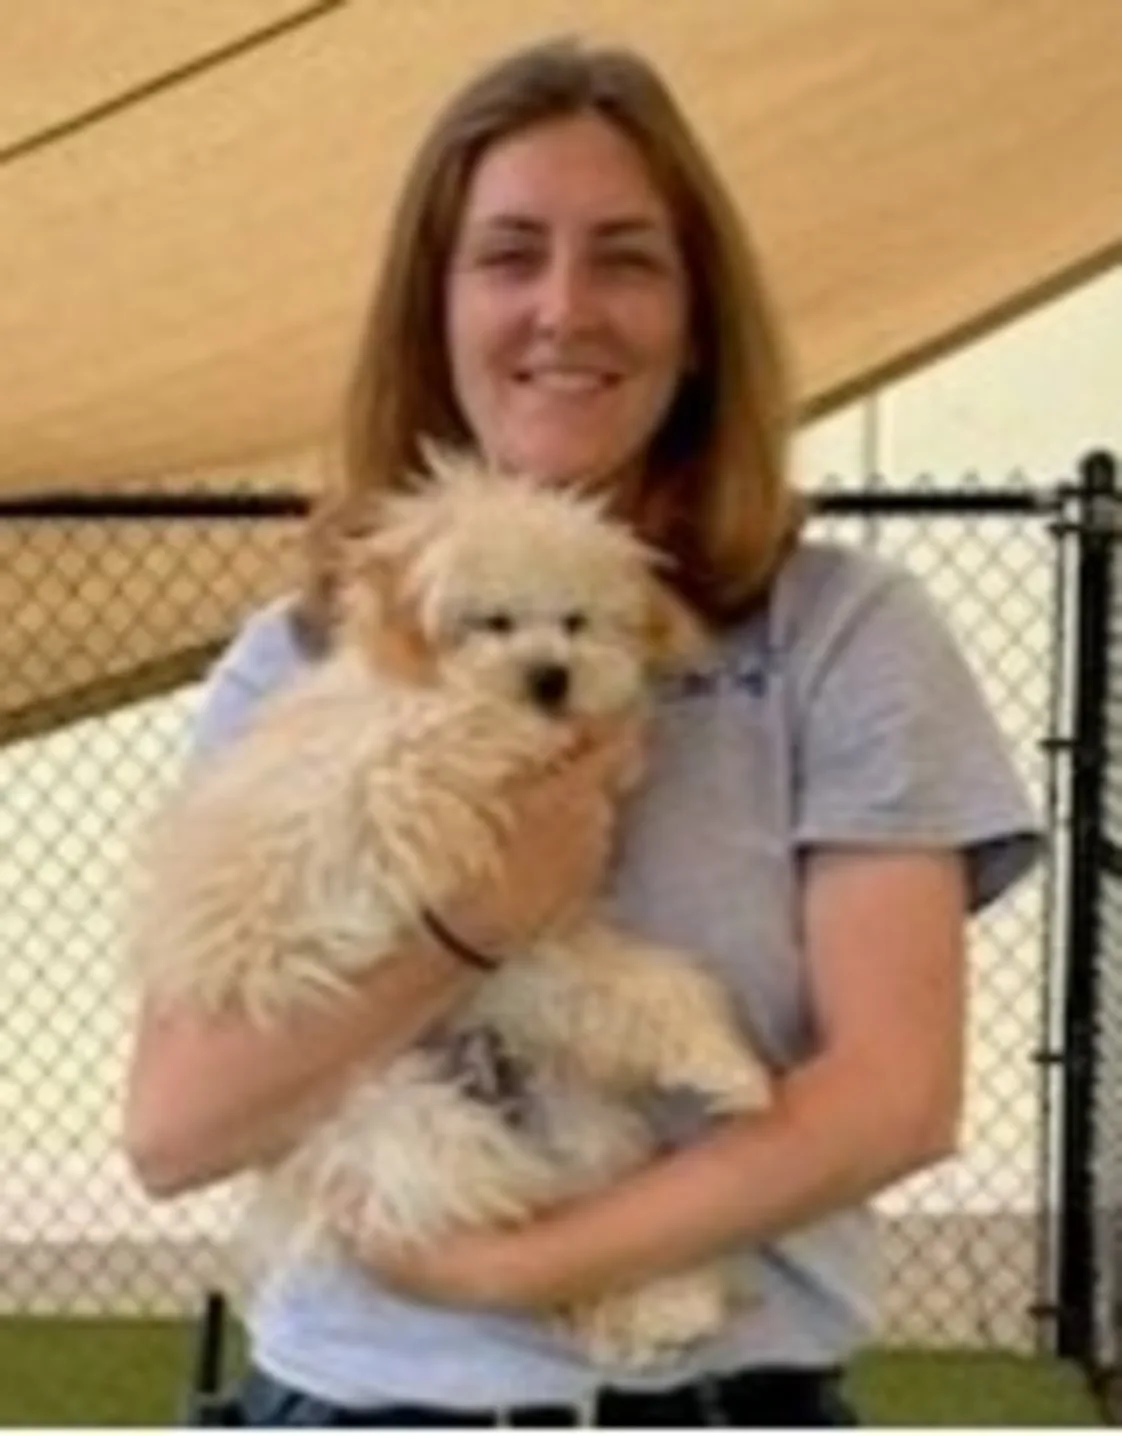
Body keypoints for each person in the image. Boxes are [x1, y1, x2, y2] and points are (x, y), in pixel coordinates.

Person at [123, 36, 1041, 1427]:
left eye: (624, 257)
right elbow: (178, 1129)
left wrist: (520, 1274)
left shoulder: (840, 635)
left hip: (712, 1394)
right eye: (507, 257)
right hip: (352, 1396)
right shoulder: (304, 655)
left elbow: (893, 1098)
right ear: (433, 309)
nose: (565, 309)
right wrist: (476, 925)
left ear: (697, 318)